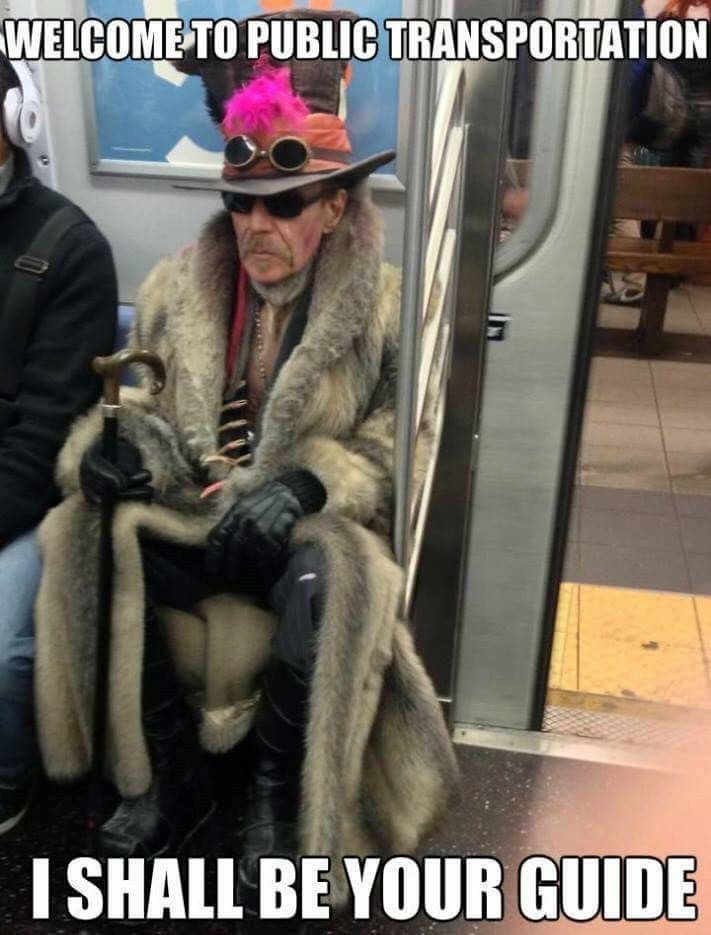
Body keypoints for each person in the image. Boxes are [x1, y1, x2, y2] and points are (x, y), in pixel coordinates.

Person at [34, 9, 458, 927]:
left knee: (329, 574)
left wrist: (312, 480)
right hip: (197, 505)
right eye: (239, 201)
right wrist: (115, 451)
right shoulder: (176, 285)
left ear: (335, 204)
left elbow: (405, 439)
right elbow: (135, 400)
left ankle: (277, 803)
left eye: (284, 201)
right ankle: (172, 783)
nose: (256, 222)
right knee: (82, 526)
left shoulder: (383, 307)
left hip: (299, 525)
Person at [0, 37, 117, 834]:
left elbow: (41, 442)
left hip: (20, 496)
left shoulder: (68, 251)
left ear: (15, 123)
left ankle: (7, 782)